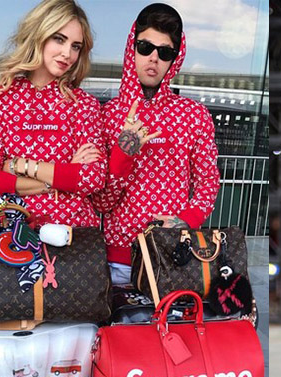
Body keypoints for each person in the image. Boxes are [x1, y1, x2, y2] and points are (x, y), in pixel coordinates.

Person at [90, 3, 220, 285]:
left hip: (174, 256)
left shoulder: (194, 115)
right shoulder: (106, 115)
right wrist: (124, 154)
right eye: (145, 47)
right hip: (118, 262)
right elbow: (101, 202)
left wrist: (185, 221)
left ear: (175, 58)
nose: (153, 58)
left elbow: (208, 182)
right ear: (131, 49)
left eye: (165, 52)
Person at [0, 0, 106, 227]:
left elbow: (93, 178)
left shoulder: (84, 105)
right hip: (11, 235)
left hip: (75, 237)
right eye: (59, 39)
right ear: (39, 35)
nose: (67, 54)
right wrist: (64, 176)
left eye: (76, 46)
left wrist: (18, 166)